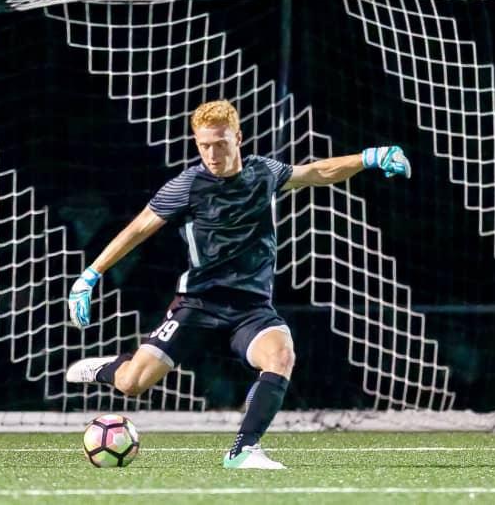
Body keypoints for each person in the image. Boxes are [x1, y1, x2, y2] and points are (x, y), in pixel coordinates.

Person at [65, 100, 410, 469]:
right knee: (133, 383)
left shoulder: (264, 173)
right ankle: (107, 369)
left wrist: (370, 157)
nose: (212, 154)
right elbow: (137, 229)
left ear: (238, 138)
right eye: (203, 145)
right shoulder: (187, 185)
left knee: (282, 355)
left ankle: (243, 450)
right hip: (197, 304)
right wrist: (91, 275)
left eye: (220, 144)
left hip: (252, 308)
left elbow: (317, 172)